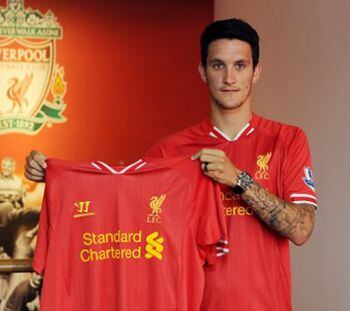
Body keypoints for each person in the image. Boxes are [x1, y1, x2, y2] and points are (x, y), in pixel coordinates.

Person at [24, 18, 316, 311]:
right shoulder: (171, 150)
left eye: (240, 65)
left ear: (256, 72)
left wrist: (238, 179)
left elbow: (301, 229)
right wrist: (54, 174)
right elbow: (121, 202)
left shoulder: (286, 139)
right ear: (203, 72)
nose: (229, 78)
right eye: (218, 66)